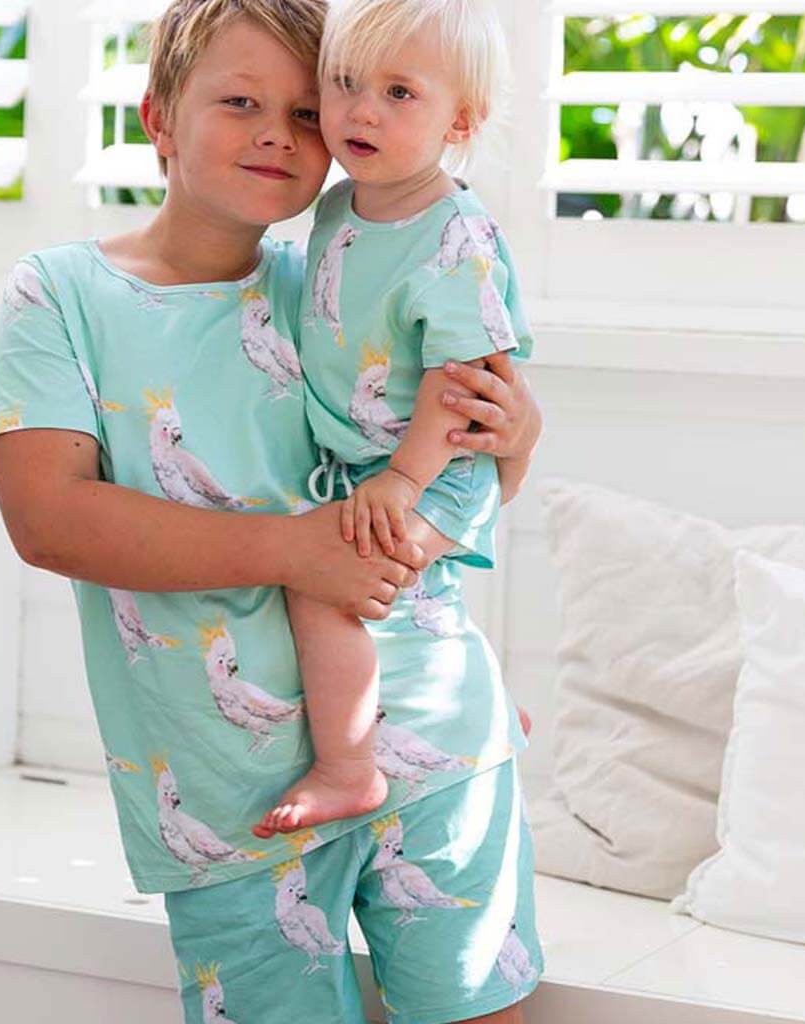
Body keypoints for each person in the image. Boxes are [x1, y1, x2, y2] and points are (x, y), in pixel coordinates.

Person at [0, 0, 544, 1019]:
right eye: (240, 102)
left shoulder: (353, 273)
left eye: (303, 109)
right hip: (228, 792)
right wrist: (297, 552)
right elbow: (48, 518)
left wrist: (519, 434)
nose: (280, 133)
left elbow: (459, 471)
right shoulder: (59, 293)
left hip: (430, 739)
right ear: (158, 116)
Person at [254, 0, 535, 841]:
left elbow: (464, 381)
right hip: (375, 464)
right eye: (343, 84)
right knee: (410, 606)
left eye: (400, 93)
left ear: (463, 118)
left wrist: (405, 479)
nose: (360, 111)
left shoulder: (455, 236)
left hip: (437, 469)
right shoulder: (341, 205)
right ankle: (480, 717)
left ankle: (349, 769)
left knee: (325, 589)